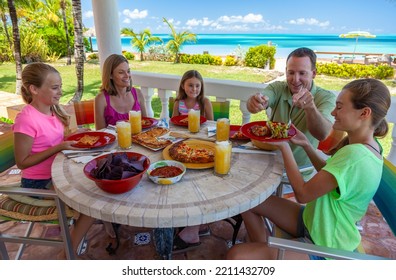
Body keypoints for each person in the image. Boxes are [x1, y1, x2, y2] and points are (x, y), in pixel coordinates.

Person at [227, 78, 391, 260]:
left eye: (340, 107)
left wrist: (283, 145)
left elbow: (303, 194)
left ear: (364, 113)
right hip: (315, 221)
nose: (333, 112)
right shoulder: (369, 147)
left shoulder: (355, 155)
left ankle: (263, 257)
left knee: (235, 256)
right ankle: (263, 252)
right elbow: (332, 175)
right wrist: (306, 144)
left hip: (327, 244)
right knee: (249, 201)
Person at [12, 62, 96, 259]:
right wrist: (58, 147)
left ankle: (88, 232)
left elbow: (55, 140)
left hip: (58, 174)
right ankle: (67, 253)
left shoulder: (52, 110)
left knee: (97, 181)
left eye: (60, 86)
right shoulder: (27, 119)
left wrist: (76, 136)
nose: (60, 92)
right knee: (92, 205)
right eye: (54, 87)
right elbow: (22, 162)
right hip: (38, 183)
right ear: (34, 89)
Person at [246, 47, 336, 167]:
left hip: (299, 172)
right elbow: (264, 99)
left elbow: (322, 134)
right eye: (291, 72)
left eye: (302, 73)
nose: (295, 79)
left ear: (313, 73)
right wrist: (256, 102)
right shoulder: (278, 88)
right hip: (268, 163)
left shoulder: (326, 97)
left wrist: (310, 108)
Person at [171, 70, 213, 253]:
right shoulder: (177, 103)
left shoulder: (204, 102)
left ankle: (196, 225)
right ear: (183, 85)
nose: (194, 89)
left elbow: (211, 126)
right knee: (181, 182)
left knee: (200, 183)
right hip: (182, 145)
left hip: (201, 146)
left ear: (201, 87)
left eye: (197, 85)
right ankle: (194, 222)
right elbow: (173, 124)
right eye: (190, 85)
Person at [95, 54, 147, 130]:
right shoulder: (101, 99)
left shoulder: (138, 94)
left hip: (139, 141)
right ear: (110, 75)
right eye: (121, 72)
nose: (127, 75)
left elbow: (147, 125)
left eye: (128, 71)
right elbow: (101, 133)